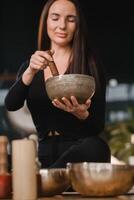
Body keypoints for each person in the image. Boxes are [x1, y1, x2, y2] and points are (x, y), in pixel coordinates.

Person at [5, 0, 111, 168]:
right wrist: (30, 72)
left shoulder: (90, 64)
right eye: (55, 18)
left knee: (98, 146)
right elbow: (11, 104)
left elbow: (98, 126)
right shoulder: (30, 66)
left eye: (70, 19)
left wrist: (81, 114)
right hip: (44, 151)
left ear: (78, 24)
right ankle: (53, 179)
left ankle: (50, 179)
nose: (62, 25)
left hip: (81, 153)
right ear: (46, 21)